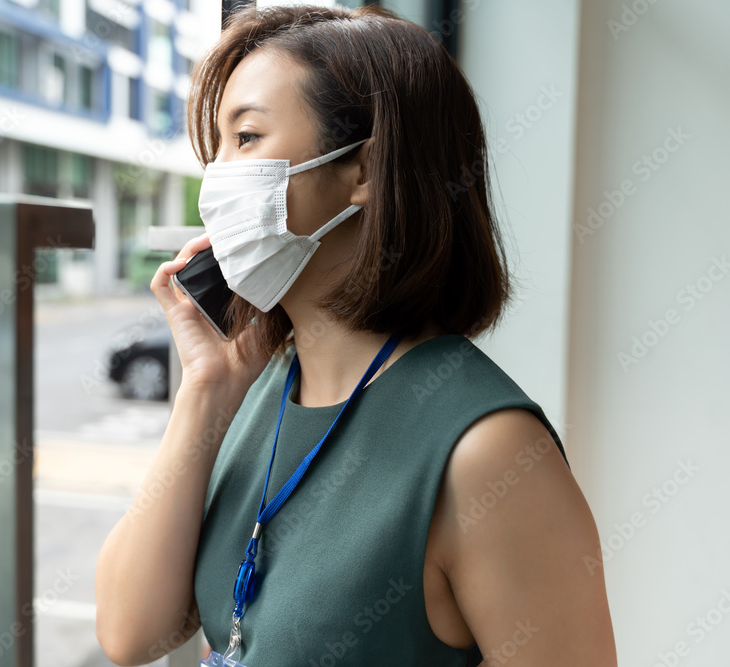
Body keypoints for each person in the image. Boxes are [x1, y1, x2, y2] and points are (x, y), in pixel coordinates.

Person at [96, 4, 618, 666]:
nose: (217, 178)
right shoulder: (265, 387)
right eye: (218, 146)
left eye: (247, 137)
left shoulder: (489, 451)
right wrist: (205, 389)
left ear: (364, 172)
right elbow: (129, 630)